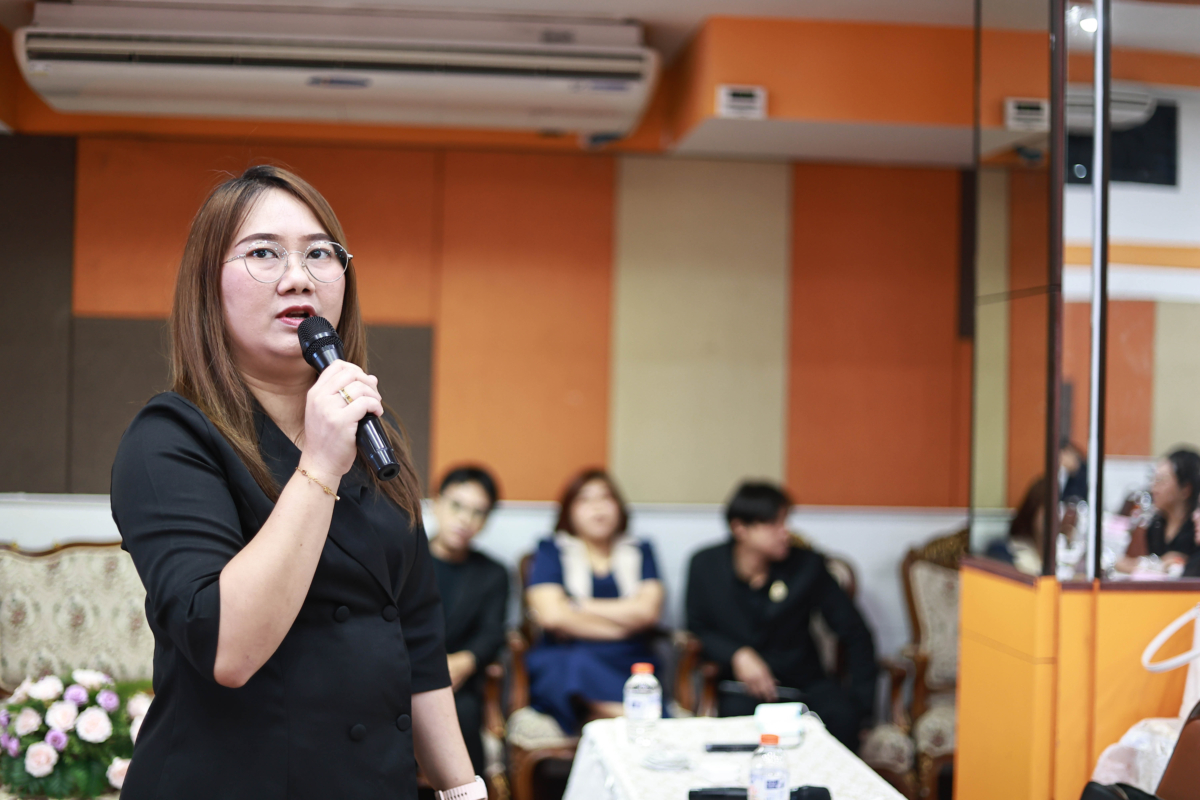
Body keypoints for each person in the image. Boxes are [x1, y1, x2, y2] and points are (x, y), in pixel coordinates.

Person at [110, 166, 482, 800]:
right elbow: (227, 649)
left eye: (319, 254)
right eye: (263, 253)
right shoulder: (168, 439)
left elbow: (417, 634)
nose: (298, 277)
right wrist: (320, 465)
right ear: (207, 284)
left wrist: (462, 790)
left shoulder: (370, 427)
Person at [686, 481, 876, 752]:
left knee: (842, 717)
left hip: (803, 684)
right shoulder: (705, 565)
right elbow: (697, 627)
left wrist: (863, 706)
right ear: (740, 528)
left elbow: (855, 632)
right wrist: (737, 654)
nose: (785, 532)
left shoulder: (807, 566)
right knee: (734, 733)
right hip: (741, 689)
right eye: (773, 524)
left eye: (785, 521)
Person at [524, 469, 664, 734]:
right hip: (567, 652)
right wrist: (624, 623)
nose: (597, 507)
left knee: (634, 678)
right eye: (585, 499)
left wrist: (579, 605)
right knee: (569, 665)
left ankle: (595, 714)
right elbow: (552, 616)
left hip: (627, 657)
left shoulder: (640, 550)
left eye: (605, 498)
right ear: (569, 511)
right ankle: (630, 717)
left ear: (619, 506)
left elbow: (648, 612)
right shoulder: (551, 550)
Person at [428, 465, 509, 776]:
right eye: (457, 506)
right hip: (401, 672)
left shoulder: (493, 574)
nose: (465, 519)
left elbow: (492, 632)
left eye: (478, 512)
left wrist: (466, 660)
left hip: (458, 680)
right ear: (437, 502)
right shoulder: (406, 556)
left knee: (463, 712)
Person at [1121, 448, 1200, 576]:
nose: (1154, 488)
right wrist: (1158, 565)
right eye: (1153, 479)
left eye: (1161, 480)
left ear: (1185, 489)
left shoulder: (1195, 530)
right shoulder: (1155, 527)